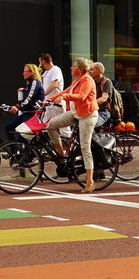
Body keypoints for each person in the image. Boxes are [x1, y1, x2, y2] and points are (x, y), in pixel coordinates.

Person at [44, 58, 98, 193]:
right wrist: (46, 100)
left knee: (85, 146)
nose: (71, 68)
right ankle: (60, 154)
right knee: (50, 125)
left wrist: (66, 97)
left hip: (88, 115)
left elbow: (81, 96)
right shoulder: (76, 81)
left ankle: (90, 181)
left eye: (74, 66)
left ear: (81, 69)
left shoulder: (87, 80)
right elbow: (64, 91)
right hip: (75, 113)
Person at [4, 63, 45, 142]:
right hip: (26, 113)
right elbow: (30, 93)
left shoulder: (35, 82)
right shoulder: (30, 84)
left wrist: (17, 106)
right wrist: (25, 90)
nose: (23, 73)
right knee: (8, 127)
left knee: (22, 133)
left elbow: (29, 97)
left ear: (32, 72)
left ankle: (30, 152)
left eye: (26, 71)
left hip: (33, 114)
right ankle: (14, 152)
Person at [39, 53, 67, 133]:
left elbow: (54, 84)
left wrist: (43, 95)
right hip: (49, 104)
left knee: (61, 126)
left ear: (43, 62)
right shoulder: (47, 72)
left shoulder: (55, 69)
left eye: (40, 62)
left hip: (55, 103)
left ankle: (66, 142)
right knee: (46, 126)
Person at [90, 62, 114, 127]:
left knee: (90, 124)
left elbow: (104, 98)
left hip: (103, 112)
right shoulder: (92, 82)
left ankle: (93, 137)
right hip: (93, 111)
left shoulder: (107, 82)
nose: (90, 71)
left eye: (92, 69)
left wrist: (90, 105)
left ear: (99, 71)